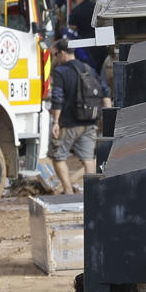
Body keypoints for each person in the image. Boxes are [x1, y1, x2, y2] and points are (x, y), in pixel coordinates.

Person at [48, 39, 104, 193]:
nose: (55, 58)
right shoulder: (89, 69)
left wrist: (56, 122)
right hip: (89, 121)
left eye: (56, 55)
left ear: (63, 53)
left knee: (58, 156)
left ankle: (68, 192)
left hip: (68, 122)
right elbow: (103, 91)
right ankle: (93, 193)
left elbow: (57, 98)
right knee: (88, 158)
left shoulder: (60, 72)